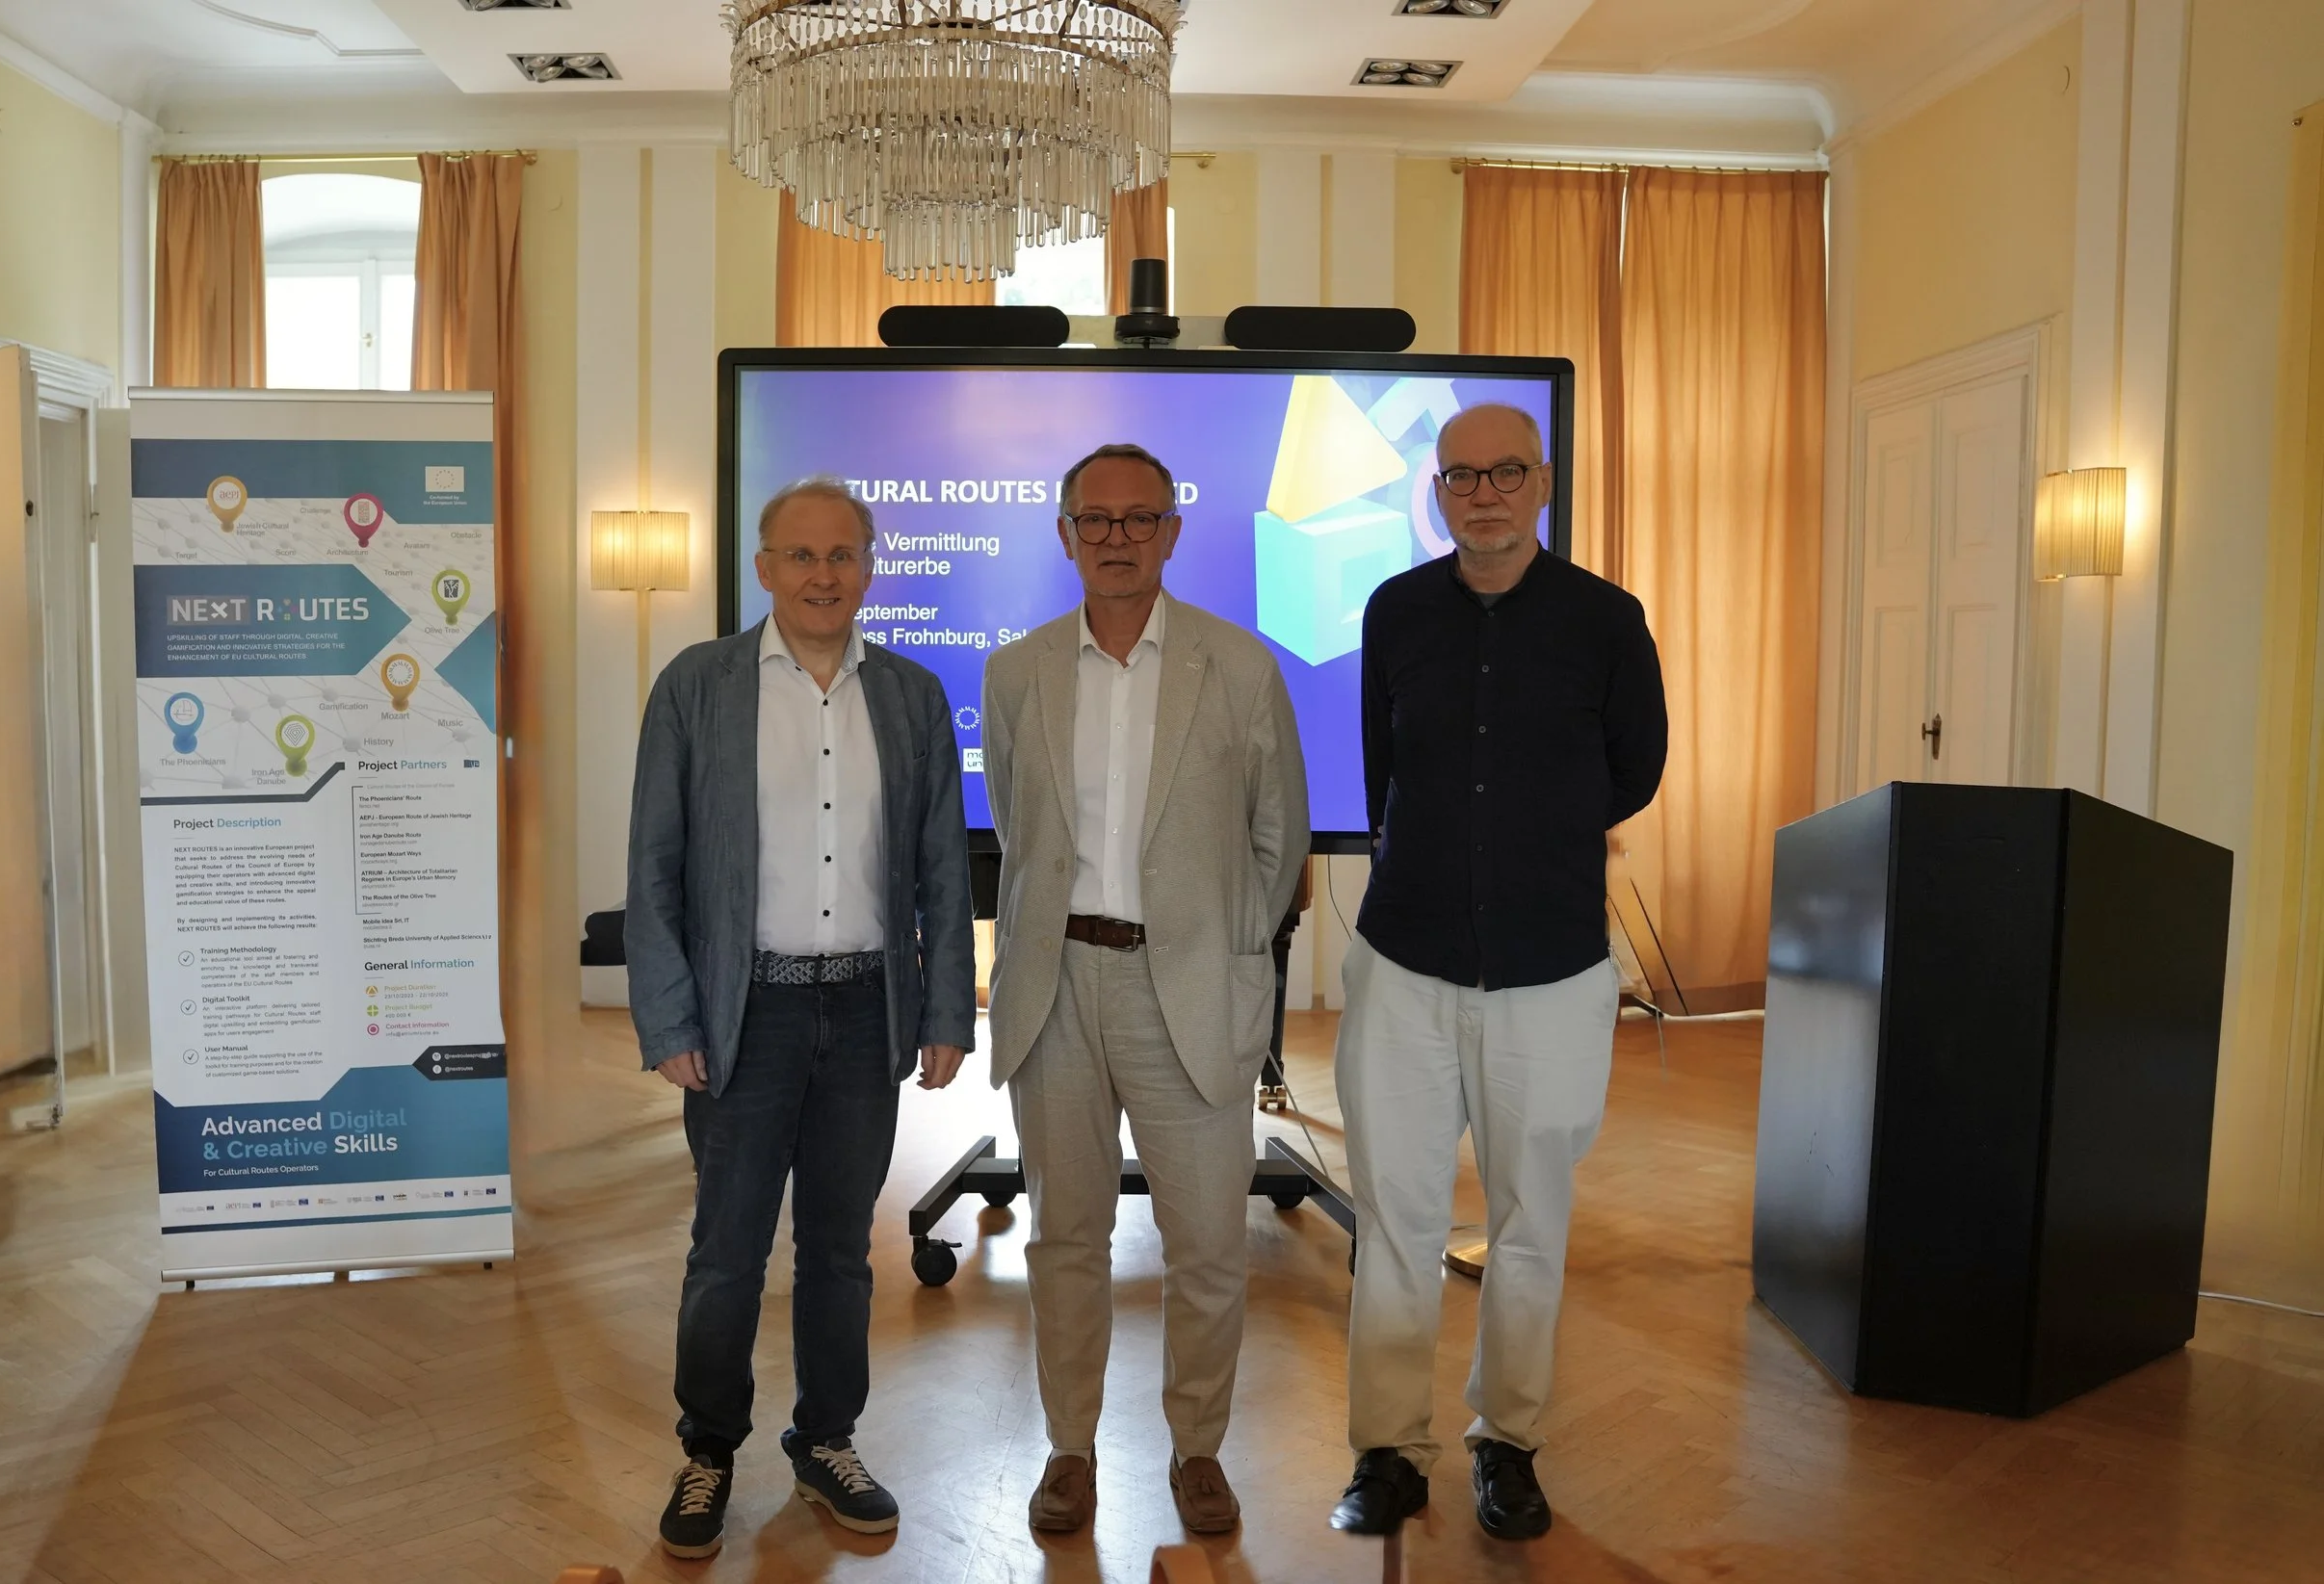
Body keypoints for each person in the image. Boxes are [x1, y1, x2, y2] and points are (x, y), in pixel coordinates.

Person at [1327, 403, 1667, 1542]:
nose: (1482, 493)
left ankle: (1506, 1443)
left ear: (1542, 482)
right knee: (1394, 1216)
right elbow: (1382, 769)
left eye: (1505, 471)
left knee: (1530, 1221)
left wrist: (1531, 833)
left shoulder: (1606, 619)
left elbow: (1633, 771)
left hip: (1552, 967)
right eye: (1461, 475)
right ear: (1437, 491)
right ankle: (1386, 1449)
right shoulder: (1395, 610)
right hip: (1405, 961)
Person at [626, 478, 975, 1558]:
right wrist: (670, 1015)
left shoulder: (913, 695)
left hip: (866, 1012)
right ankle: (707, 1449)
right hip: (746, 1015)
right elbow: (654, 868)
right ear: (764, 567)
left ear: (869, 567)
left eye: (842, 554)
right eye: (802, 555)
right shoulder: (697, 687)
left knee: (839, 1250)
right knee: (727, 1250)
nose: (824, 575)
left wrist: (945, 1008)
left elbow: (941, 870)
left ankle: (827, 1439)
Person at [981, 442, 1310, 1537]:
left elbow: (1279, 839)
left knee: (1208, 1243)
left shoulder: (1240, 666)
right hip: (1057, 991)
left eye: (1139, 518)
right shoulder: (1016, 672)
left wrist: (1230, 950)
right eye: (1096, 518)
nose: (1116, 536)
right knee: (1064, 1237)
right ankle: (1069, 1448)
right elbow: (1020, 832)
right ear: (1065, 533)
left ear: (1172, 532)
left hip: (1191, 989)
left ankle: (1197, 1447)